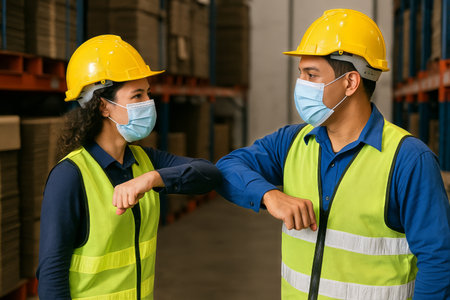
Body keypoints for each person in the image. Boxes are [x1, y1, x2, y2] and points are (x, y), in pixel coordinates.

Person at [216, 9, 450, 300]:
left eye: (311, 75)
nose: (301, 85)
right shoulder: (292, 142)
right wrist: (269, 195)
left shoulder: (408, 159)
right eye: (300, 74)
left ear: (351, 82)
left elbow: (438, 261)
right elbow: (226, 168)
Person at [37, 35, 221, 299]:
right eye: (137, 95)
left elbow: (209, 173)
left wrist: (150, 179)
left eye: (148, 93)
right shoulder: (70, 176)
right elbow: (52, 274)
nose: (148, 102)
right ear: (103, 106)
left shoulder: (144, 161)